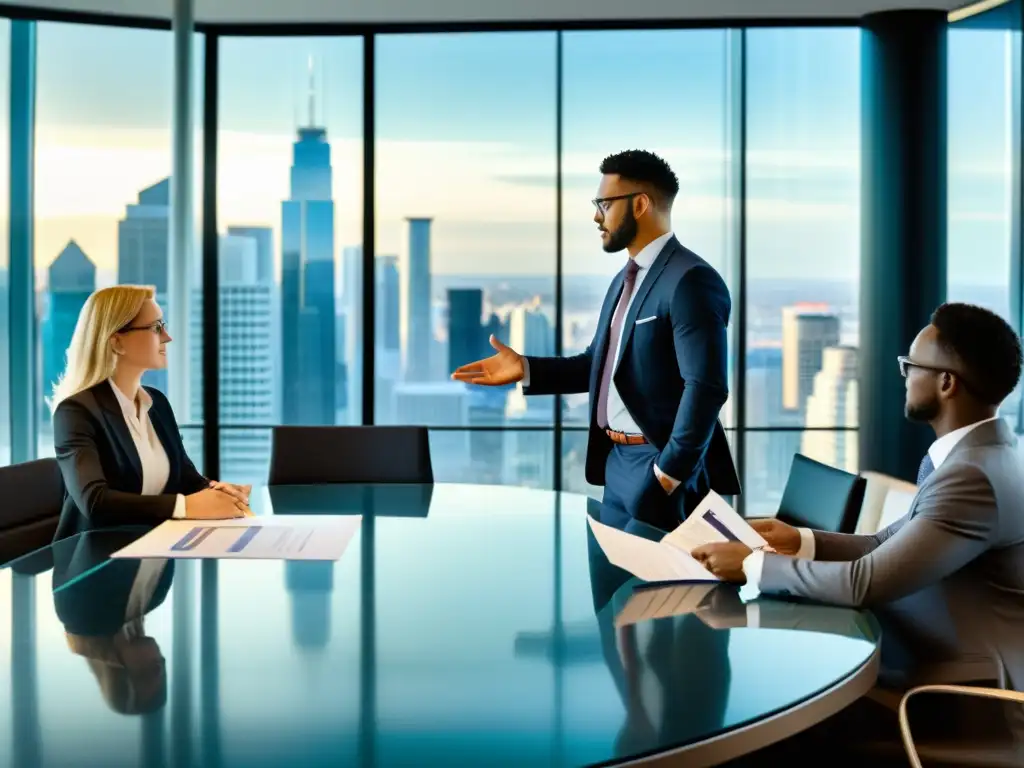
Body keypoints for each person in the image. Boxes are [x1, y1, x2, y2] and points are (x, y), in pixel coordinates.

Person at [692, 303, 1024, 683]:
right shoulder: (981, 457)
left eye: (911, 366)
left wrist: (753, 565)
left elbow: (864, 582)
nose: (905, 377)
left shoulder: (972, 476)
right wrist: (799, 540)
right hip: (919, 658)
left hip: (956, 698)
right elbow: (884, 543)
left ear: (946, 383)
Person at [453, 150, 739, 530]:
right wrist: (525, 368)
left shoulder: (690, 280)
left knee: (659, 588)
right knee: (612, 587)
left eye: (604, 203)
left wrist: (667, 475)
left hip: (660, 467)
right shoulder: (625, 280)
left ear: (639, 204)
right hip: (617, 463)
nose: (596, 216)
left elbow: (706, 387)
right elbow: (599, 365)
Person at [50, 285, 250, 541]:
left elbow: (186, 478)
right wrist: (185, 507)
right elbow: (95, 502)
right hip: (96, 558)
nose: (167, 337)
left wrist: (218, 492)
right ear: (117, 341)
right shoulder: (76, 412)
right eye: (156, 327)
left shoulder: (157, 403)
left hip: (154, 549)